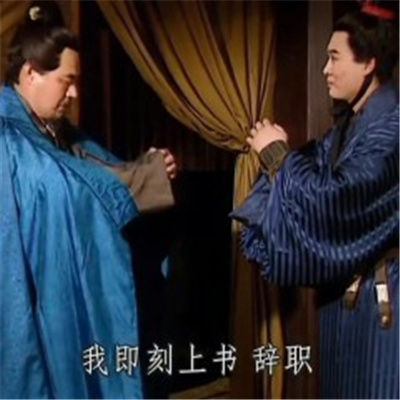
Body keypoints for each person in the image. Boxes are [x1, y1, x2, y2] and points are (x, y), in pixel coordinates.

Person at [0, 1, 177, 398]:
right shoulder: (6, 139)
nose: (75, 93)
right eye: (66, 81)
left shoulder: (55, 131)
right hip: (28, 294)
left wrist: (150, 170)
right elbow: (78, 187)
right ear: (30, 73)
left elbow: (97, 173)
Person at [231, 1, 399, 398]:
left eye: (334, 57)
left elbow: (336, 200)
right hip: (345, 297)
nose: (326, 69)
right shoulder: (348, 126)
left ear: (368, 63)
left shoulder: (392, 126)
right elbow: (308, 172)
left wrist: (276, 155)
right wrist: (277, 160)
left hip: (384, 298)